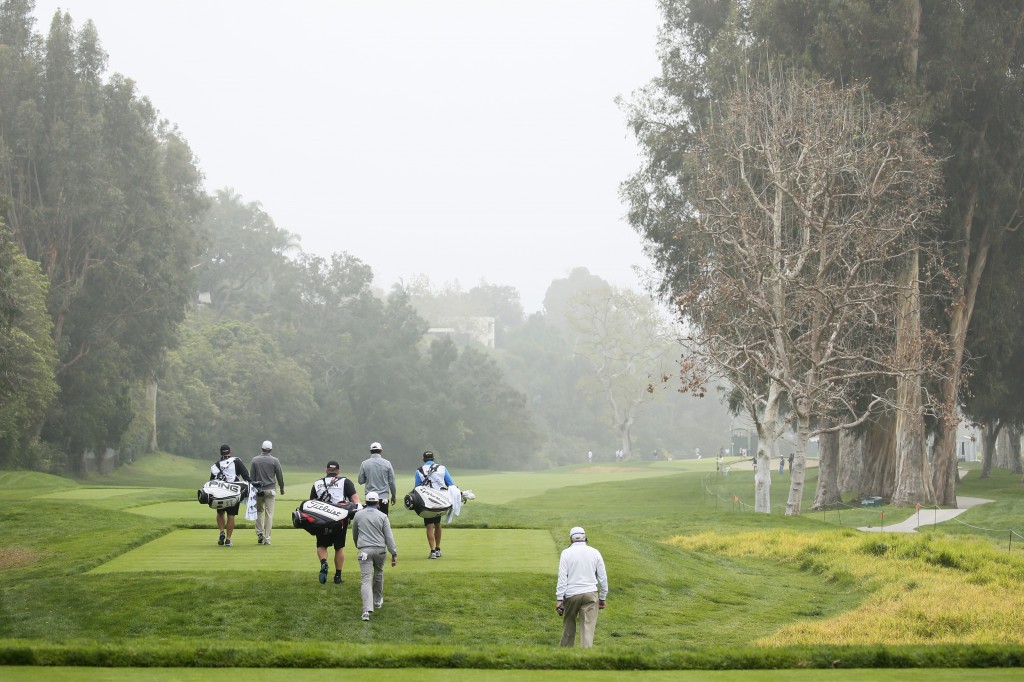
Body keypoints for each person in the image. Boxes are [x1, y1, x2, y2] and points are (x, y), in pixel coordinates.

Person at [555, 526, 608, 648]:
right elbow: (603, 577)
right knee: (588, 628)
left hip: (571, 594)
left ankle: (565, 656)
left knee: (569, 624)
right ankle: (585, 656)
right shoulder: (595, 552)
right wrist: (603, 598)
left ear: (571, 539)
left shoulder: (566, 553)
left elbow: (562, 577)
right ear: (585, 538)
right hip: (590, 593)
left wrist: (559, 599)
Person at [309, 460, 360, 585]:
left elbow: (311, 503)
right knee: (339, 548)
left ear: (326, 471)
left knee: (321, 545)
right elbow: (355, 500)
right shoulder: (345, 482)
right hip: (339, 520)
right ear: (338, 471)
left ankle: (323, 562)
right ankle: (337, 577)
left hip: (322, 520)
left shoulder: (317, 483)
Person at [351, 491, 398, 622]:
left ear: (366, 502)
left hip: (364, 550)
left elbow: (355, 534)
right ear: (377, 503)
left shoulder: (358, 515)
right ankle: (377, 601)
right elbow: (389, 537)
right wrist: (394, 553)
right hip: (380, 551)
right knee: (378, 573)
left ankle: (366, 610)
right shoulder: (383, 516)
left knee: (366, 579)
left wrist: (358, 546)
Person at [415, 450, 454, 559]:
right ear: (434, 458)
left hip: (427, 502)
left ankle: (432, 551)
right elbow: (451, 484)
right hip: (440, 501)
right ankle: (438, 549)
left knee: (429, 526)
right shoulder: (442, 468)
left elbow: (417, 488)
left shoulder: (419, 470)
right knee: (437, 524)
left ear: (423, 459)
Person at [210, 444, 250, 547]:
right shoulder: (236, 461)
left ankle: (222, 531)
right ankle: (228, 540)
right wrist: (252, 484)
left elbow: (212, 481)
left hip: (220, 493)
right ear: (230, 452)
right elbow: (245, 475)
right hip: (234, 492)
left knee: (220, 513)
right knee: (231, 516)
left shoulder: (216, 465)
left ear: (221, 453)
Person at [249, 439, 285, 545]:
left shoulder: (255, 460)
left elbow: (252, 477)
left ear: (262, 449)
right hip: (270, 490)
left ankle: (260, 532)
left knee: (259, 512)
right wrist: (282, 487)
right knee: (269, 514)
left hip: (258, 490)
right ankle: (267, 537)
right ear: (271, 449)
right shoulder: (275, 460)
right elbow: (279, 475)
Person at [358, 441, 397, 516]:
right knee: (383, 520)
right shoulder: (387, 463)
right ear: (381, 450)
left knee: (370, 519)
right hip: (383, 498)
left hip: (369, 497)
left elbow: (360, 481)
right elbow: (391, 482)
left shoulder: (364, 463)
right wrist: (393, 496)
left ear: (370, 451)